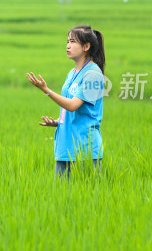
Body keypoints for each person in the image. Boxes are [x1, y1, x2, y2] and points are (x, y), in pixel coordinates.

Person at [27, 25, 107, 176]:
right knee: (63, 197)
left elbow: (73, 106)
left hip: (85, 148)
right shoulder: (72, 73)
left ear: (86, 46)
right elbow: (74, 109)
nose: (67, 46)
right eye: (67, 41)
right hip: (65, 145)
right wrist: (59, 121)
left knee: (85, 195)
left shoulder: (93, 75)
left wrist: (46, 90)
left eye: (72, 41)